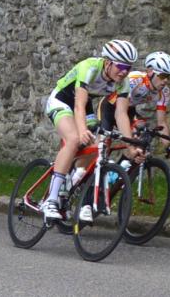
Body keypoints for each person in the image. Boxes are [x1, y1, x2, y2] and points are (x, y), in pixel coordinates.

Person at [41, 39, 141, 222]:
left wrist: (130, 146)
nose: (124, 72)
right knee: (73, 139)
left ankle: (72, 179)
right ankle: (51, 200)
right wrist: (81, 131)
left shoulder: (123, 82)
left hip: (85, 106)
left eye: (128, 68)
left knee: (97, 147)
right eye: (120, 66)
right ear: (108, 62)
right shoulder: (89, 67)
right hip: (61, 101)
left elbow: (121, 114)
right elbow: (78, 105)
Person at [100, 51, 170, 150]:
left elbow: (161, 123)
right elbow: (120, 111)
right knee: (103, 145)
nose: (165, 80)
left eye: (168, 77)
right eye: (162, 76)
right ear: (150, 72)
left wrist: (169, 148)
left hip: (129, 110)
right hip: (109, 107)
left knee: (141, 141)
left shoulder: (164, 92)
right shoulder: (134, 79)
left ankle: (129, 159)